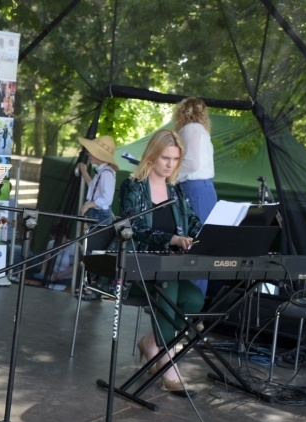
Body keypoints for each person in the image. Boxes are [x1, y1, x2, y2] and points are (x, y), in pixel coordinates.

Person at [120, 129, 203, 397]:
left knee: (194, 300)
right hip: (138, 267)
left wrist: (204, 235)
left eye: (176, 159)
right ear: (152, 155)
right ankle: (167, 362)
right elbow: (136, 228)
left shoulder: (176, 190)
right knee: (170, 290)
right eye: (165, 157)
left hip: (170, 268)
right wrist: (172, 239)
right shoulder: (133, 186)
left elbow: (194, 223)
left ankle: (151, 342)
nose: (170, 164)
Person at [173, 97, 217, 295]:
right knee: (202, 246)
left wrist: (170, 174)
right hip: (205, 189)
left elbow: (192, 164)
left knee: (193, 245)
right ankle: (193, 308)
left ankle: (189, 304)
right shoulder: (202, 131)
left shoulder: (188, 129)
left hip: (193, 188)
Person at [76, 135, 117, 225]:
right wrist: (84, 172)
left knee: (96, 238)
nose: (88, 154)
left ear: (99, 155)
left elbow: (107, 199)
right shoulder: (102, 171)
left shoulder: (107, 173)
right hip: (96, 212)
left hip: (101, 215)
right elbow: (93, 186)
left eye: (91, 151)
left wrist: (88, 205)